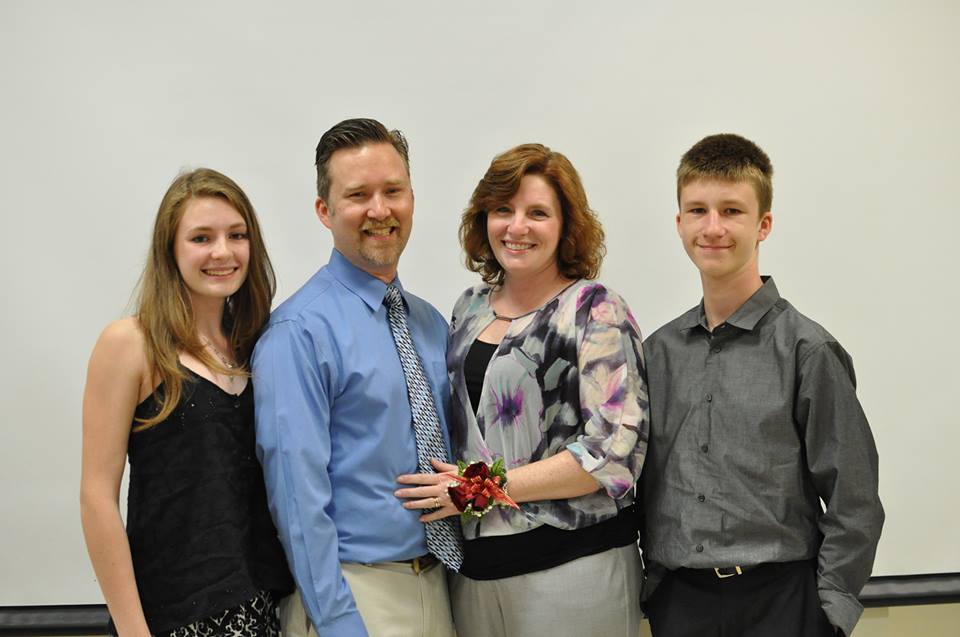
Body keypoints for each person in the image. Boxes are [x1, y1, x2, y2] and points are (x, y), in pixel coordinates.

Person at [395, 143, 649, 637]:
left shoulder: (594, 310)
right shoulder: (468, 309)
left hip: (574, 566)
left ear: (565, 224)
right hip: (476, 572)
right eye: (503, 210)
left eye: (537, 213)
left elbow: (614, 453)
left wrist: (478, 490)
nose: (517, 227)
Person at [640, 133, 885, 637]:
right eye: (698, 210)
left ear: (763, 224)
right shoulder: (658, 353)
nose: (713, 227)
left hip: (783, 603)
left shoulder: (807, 351)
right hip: (681, 604)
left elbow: (853, 498)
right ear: (678, 222)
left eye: (732, 210)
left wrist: (827, 612)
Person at [252, 118, 459, 637]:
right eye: (358, 195)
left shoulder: (432, 324)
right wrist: (339, 622)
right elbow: (296, 498)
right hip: (355, 595)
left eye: (393, 191)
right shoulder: (298, 333)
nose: (380, 210)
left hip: (442, 587)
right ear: (325, 210)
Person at [80, 168, 294, 637]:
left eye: (236, 235)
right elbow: (97, 496)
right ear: (170, 249)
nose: (222, 251)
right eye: (201, 237)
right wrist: (134, 630)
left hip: (265, 607)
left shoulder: (258, 345)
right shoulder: (130, 344)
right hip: (172, 616)